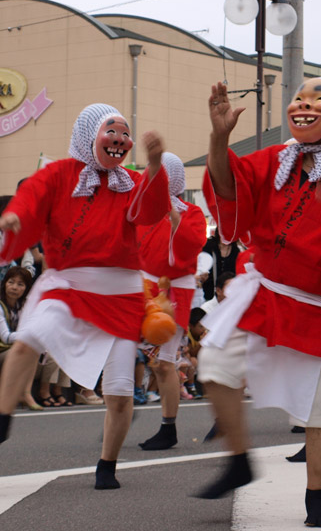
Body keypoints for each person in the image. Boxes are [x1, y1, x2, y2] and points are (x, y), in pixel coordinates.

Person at [195, 77, 321, 527]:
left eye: (320, 98)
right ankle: (239, 460)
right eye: (300, 97)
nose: (305, 104)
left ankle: (318, 498)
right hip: (264, 290)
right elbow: (228, 188)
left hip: (320, 303)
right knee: (214, 366)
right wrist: (219, 138)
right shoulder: (275, 158)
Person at [0, 103, 170, 490]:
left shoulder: (129, 182)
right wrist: (15, 220)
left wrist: (156, 165)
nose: (120, 140)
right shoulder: (59, 174)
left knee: (121, 394)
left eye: (125, 135)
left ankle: (107, 465)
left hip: (121, 294)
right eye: (112, 131)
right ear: (88, 133)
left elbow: (152, 211)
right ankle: (2, 418)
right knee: (27, 340)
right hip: (69, 284)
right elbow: (30, 200)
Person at [137, 152, 207, 450]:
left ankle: (169, 427)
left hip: (172, 293)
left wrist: (174, 217)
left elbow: (192, 247)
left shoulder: (190, 213)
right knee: (130, 355)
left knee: (163, 363)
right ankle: (122, 407)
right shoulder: (142, 210)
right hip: (141, 289)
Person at [0, 267, 38, 410]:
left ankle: (26, 393)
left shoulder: (21, 306)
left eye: (20, 284)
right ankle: (25, 394)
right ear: (4, 284)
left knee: (33, 350)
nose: (14, 287)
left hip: (9, 348)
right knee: (28, 349)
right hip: (3, 348)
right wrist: (32, 335)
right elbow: (6, 337)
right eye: (11, 282)